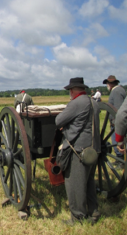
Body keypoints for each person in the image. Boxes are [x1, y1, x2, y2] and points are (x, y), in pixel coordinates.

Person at [55, 77, 101, 225]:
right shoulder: (93, 102)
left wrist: (66, 127)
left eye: (70, 90)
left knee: (74, 183)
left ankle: (78, 217)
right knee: (88, 182)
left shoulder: (76, 103)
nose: (69, 93)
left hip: (78, 150)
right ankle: (93, 212)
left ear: (73, 90)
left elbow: (58, 121)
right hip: (92, 149)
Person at [103, 75, 126, 167]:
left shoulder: (116, 91)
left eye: (107, 83)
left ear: (111, 84)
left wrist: (115, 121)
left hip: (117, 122)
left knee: (116, 140)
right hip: (118, 121)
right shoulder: (120, 90)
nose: (107, 85)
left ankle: (120, 160)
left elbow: (118, 109)